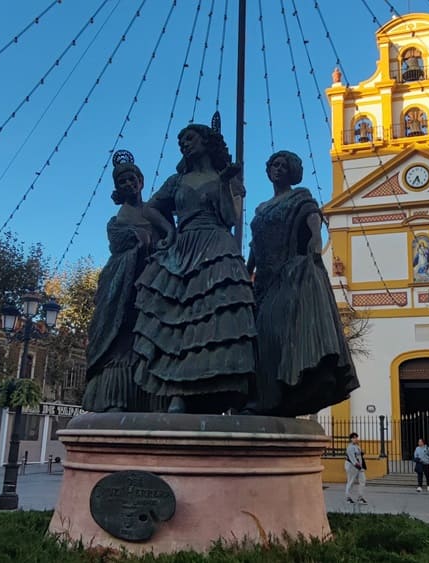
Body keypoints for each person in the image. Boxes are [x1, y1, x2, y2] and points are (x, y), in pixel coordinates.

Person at [132, 124, 257, 414]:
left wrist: (226, 184)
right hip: (184, 246)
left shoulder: (226, 178)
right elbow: (150, 208)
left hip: (216, 243)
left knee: (217, 315)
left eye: (189, 138)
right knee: (178, 317)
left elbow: (231, 218)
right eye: (181, 141)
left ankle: (222, 387)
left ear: (206, 141)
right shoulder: (176, 180)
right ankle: (178, 391)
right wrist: (169, 230)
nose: (184, 144)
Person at [247, 150, 359, 416]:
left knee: (276, 334)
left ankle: (276, 398)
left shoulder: (301, 198)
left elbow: (313, 229)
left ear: (292, 171)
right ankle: (264, 397)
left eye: (284, 165)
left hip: (289, 276)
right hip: (262, 282)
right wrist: (246, 269)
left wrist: (313, 253)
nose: (277, 169)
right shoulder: (261, 208)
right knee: (262, 339)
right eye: (274, 164)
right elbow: (255, 245)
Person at [83, 150, 173, 413]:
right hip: (124, 281)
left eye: (132, 179)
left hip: (154, 281)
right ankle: (116, 397)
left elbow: (170, 240)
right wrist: (139, 241)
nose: (128, 184)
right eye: (122, 182)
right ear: (118, 188)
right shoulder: (119, 218)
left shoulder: (155, 210)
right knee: (121, 338)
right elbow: (120, 242)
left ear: (141, 181)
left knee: (153, 336)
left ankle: (156, 396)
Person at [345, 432, 367, 504]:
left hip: (359, 467)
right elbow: (352, 459)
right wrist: (358, 466)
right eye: (354, 438)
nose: (355, 439)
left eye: (356, 437)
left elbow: (359, 455)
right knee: (351, 482)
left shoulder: (357, 446)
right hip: (352, 467)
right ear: (351, 439)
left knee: (362, 481)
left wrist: (362, 453)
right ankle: (348, 498)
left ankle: (360, 498)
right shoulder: (350, 448)